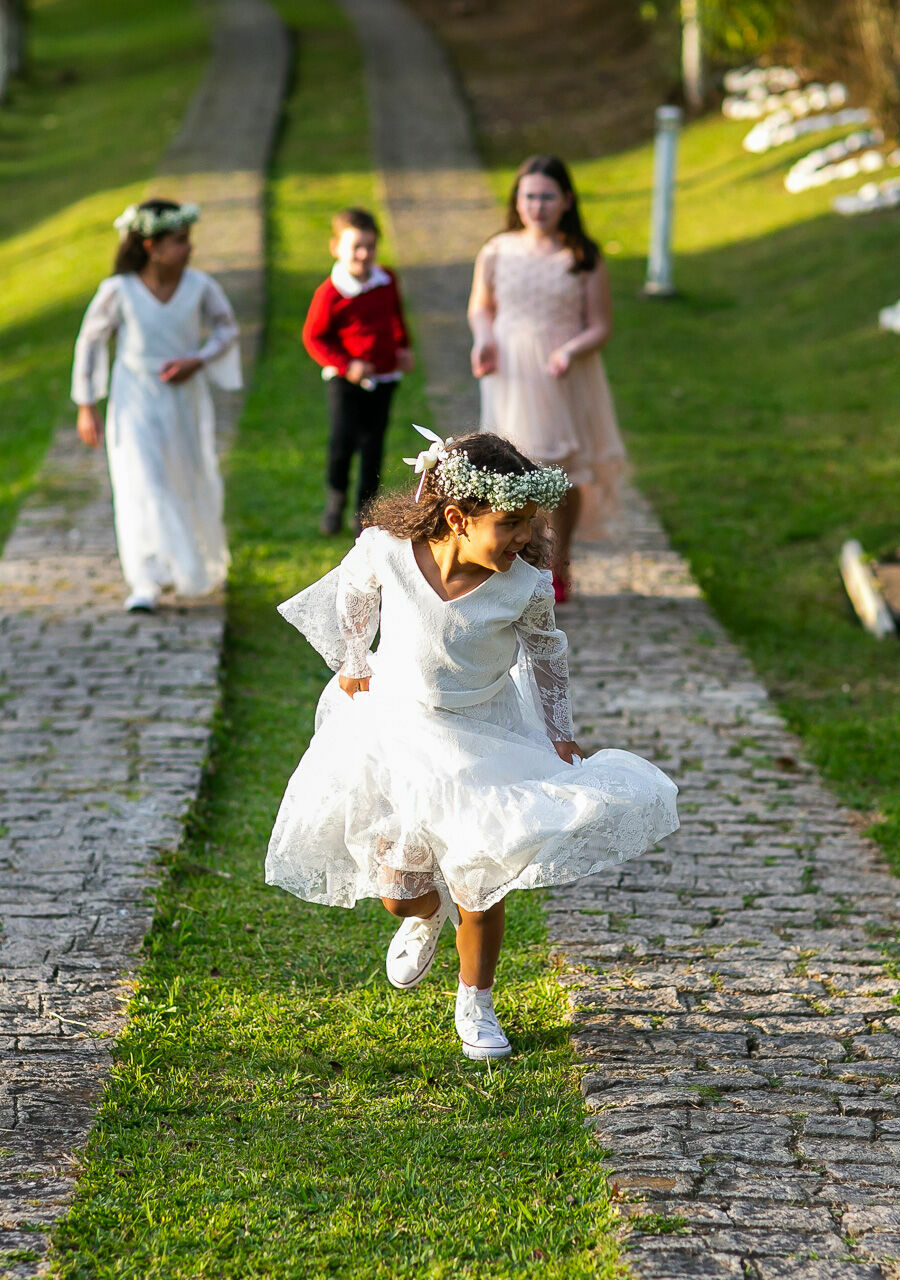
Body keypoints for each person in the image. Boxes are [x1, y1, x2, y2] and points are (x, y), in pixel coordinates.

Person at [265, 430, 679, 1060]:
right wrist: (353, 655)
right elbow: (353, 589)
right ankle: (423, 915)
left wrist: (560, 732)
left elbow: (547, 656)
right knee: (398, 888)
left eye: (528, 524)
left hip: (483, 734)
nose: (523, 539)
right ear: (456, 519)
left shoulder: (525, 587)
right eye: (509, 525)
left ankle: (476, 1000)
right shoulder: (391, 552)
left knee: (480, 879)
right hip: (399, 730)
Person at [468, 155, 628, 603]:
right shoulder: (497, 250)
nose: (537, 205)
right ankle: (522, 561)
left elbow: (600, 325)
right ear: (517, 201)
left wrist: (569, 351)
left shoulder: (581, 256)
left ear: (566, 200)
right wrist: (483, 339)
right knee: (514, 466)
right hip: (509, 370)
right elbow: (481, 306)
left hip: (561, 372)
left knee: (563, 470)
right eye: (529, 196)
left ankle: (561, 557)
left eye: (546, 196)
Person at [72, 198, 242, 610]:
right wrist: (86, 403)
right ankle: (144, 580)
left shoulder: (200, 286)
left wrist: (197, 359)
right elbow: (91, 341)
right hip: (134, 402)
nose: (189, 248)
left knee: (182, 478)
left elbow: (226, 327)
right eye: (180, 241)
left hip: (183, 400)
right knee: (141, 483)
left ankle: (183, 567)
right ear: (152, 246)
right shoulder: (119, 290)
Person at [301, 206, 414, 537]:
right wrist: (346, 365)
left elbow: (396, 317)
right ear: (336, 247)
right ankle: (335, 501)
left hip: (383, 378)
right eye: (356, 247)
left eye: (370, 246)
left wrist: (402, 346)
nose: (364, 255)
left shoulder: (386, 279)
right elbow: (314, 338)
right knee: (342, 441)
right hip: (344, 381)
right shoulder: (331, 293)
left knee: (373, 444)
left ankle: (365, 511)